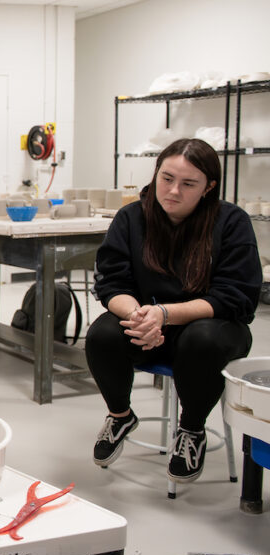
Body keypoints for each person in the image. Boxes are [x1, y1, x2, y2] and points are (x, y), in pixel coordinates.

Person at [87, 138, 261, 483]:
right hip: (148, 321)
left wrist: (164, 314)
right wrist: (139, 316)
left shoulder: (231, 222)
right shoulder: (132, 217)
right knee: (103, 333)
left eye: (188, 184)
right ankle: (120, 415)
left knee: (202, 340)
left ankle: (192, 429)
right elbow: (111, 283)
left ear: (209, 187)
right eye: (167, 178)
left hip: (212, 328)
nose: (173, 191)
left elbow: (234, 296)